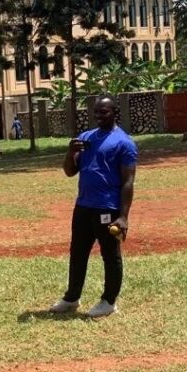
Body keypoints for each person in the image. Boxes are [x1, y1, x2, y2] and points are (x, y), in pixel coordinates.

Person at [49, 96, 137, 318]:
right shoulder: (85, 138)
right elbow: (70, 171)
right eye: (96, 112)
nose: (99, 116)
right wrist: (70, 152)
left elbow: (128, 182)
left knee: (110, 254)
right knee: (77, 252)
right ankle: (72, 298)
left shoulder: (124, 142)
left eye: (104, 112)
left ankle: (109, 301)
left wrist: (123, 216)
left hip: (107, 208)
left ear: (114, 112)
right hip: (83, 206)